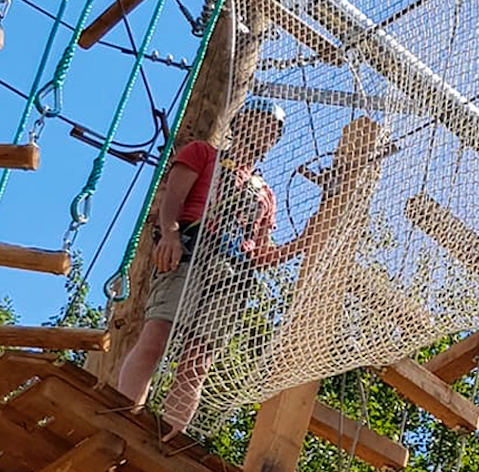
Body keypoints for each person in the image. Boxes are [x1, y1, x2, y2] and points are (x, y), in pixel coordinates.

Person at [117, 96, 365, 436]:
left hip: (233, 272)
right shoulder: (203, 154)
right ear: (240, 123)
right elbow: (172, 198)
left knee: (197, 362)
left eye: (273, 130)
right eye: (259, 122)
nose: (265, 133)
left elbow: (260, 254)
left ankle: (170, 435)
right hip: (192, 251)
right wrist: (170, 234)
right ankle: (124, 412)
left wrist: (302, 241)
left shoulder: (264, 194)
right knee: (156, 337)